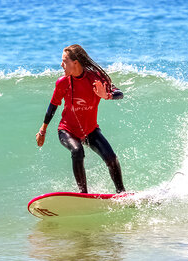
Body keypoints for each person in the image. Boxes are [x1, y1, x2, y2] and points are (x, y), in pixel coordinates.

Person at [35, 44, 125, 194]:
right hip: (67, 130)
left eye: (64, 61)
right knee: (77, 151)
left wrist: (107, 95)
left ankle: (121, 193)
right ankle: (83, 194)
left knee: (111, 158)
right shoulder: (62, 82)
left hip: (90, 130)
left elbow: (120, 93)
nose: (61, 64)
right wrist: (42, 131)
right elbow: (52, 107)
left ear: (75, 62)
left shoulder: (96, 78)